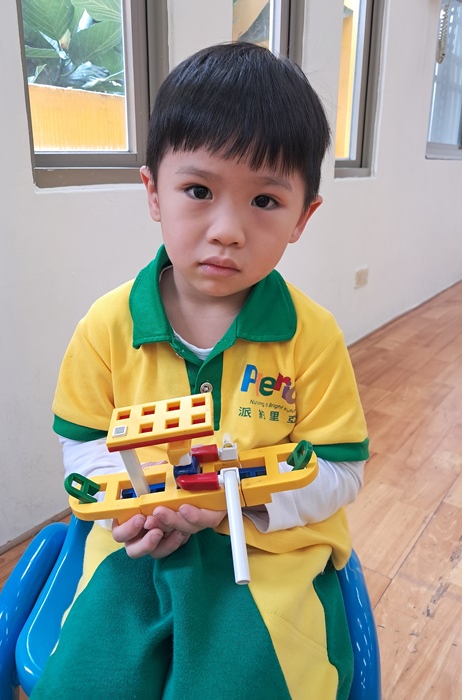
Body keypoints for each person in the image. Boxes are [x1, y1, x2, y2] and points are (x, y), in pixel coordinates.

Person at [31, 42, 369, 700]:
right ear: (153, 192)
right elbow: (87, 446)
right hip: (135, 550)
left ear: (303, 217)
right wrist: (132, 509)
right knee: (87, 679)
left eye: (264, 200)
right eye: (198, 191)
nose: (227, 230)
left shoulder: (313, 336)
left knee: (245, 683)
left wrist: (232, 505)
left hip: (268, 556)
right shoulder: (105, 326)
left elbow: (340, 471)